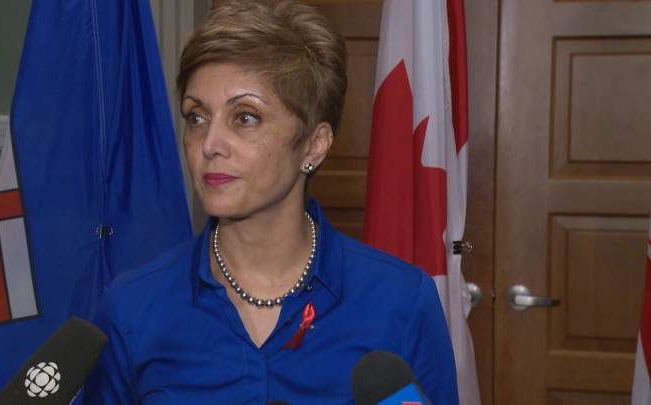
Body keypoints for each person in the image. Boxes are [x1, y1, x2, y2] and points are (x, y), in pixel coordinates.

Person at [82, 1, 458, 403]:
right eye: (196, 117)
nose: (209, 144)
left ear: (314, 145)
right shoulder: (132, 307)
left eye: (245, 117)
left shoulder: (400, 302)